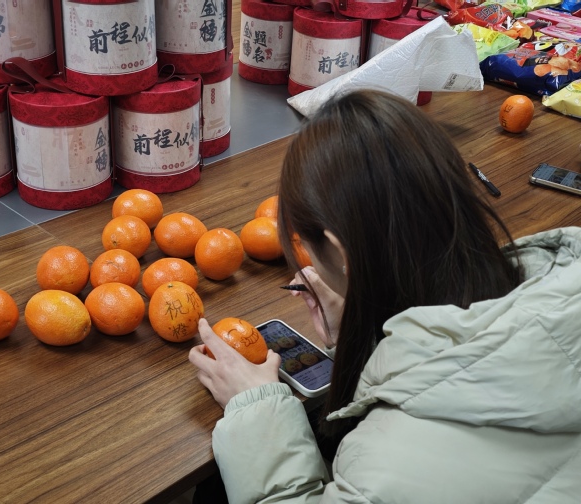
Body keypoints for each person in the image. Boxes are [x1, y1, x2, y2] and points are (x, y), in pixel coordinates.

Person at [188, 89, 581, 503]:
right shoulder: (556, 280)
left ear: (339, 253)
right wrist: (365, 329)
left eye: (303, 243)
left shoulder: (393, 461)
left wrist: (255, 409)